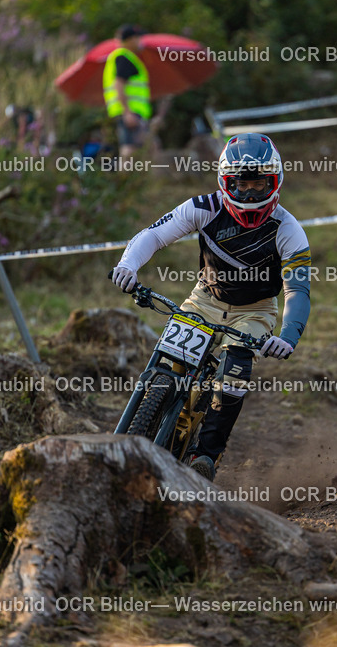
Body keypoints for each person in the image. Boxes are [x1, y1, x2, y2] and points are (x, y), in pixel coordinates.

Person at [111, 133, 312, 481]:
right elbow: (154, 235)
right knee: (169, 358)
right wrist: (128, 266)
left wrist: (287, 337)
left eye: (259, 185)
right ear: (225, 182)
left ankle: (207, 455)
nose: (250, 194)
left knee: (234, 372)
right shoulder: (203, 207)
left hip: (254, 311)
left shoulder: (288, 229)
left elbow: (297, 290)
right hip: (204, 299)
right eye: (241, 185)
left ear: (275, 182)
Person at [102, 24, 152, 160]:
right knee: (130, 149)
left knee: (140, 148)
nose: (141, 41)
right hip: (130, 112)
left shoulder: (126, 58)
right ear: (130, 40)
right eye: (138, 38)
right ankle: (125, 173)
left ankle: (133, 173)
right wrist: (127, 112)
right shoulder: (124, 58)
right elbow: (118, 84)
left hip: (132, 111)